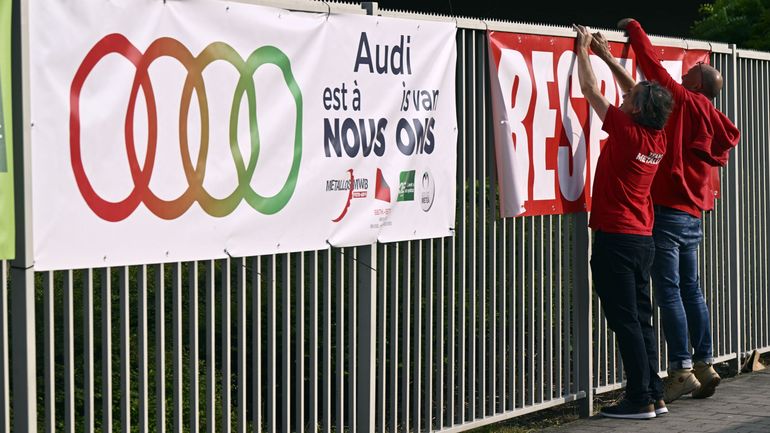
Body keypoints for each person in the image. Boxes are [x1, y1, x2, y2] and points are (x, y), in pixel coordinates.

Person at [615, 18, 741, 403]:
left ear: (698, 84)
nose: (685, 70)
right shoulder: (713, 116)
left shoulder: (684, 101)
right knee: (691, 288)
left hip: (668, 210)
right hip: (693, 214)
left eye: (693, 69)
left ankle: (681, 370)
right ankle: (705, 364)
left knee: (668, 290)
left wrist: (633, 27)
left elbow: (651, 67)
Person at [573, 24, 674, 419]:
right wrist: (610, 58)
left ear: (635, 109)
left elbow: (590, 93)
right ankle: (654, 392)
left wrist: (584, 52)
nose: (627, 96)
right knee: (642, 319)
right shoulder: (656, 136)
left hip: (616, 239)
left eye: (630, 98)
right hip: (642, 240)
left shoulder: (627, 131)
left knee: (625, 320)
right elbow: (640, 92)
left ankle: (639, 399)